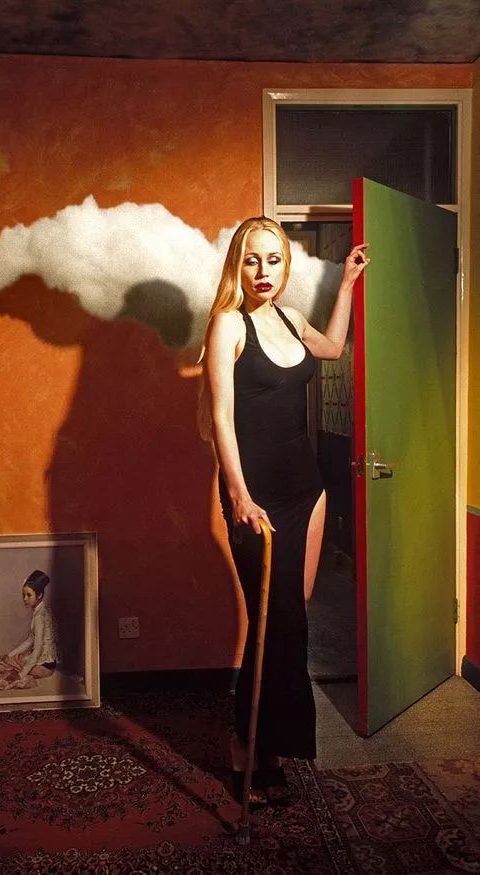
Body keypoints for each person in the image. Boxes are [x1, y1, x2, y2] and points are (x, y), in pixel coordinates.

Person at [199, 216, 368, 805]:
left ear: (285, 265)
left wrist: (346, 285)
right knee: (272, 621)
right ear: (237, 266)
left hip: (307, 489)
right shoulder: (229, 323)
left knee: (292, 619)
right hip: (256, 496)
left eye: (273, 259)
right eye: (252, 259)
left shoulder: (292, 319)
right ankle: (246, 745)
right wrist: (239, 495)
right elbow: (221, 418)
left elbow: (335, 347)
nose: (263, 271)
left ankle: (270, 745)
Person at [0, 569, 59, 696]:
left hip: (44, 667)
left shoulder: (40, 616)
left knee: (3, 665)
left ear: (39, 595)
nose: (25, 599)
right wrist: (10, 654)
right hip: (46, 664)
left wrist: (22, 674)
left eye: (29, 595)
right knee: (9, 659)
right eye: (23, 595)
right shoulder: (42, 610)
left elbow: (38, 649)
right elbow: (30, 640)